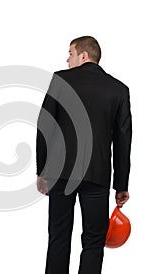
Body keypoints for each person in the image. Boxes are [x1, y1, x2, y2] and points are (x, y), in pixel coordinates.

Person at [36, 36, 132, 274]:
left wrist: (42, 170)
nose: (67, 59)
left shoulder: (60, 80)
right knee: (94, 241)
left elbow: (45, 126)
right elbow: (123, 140)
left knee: (58, 237)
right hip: (98, 176)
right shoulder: (119, 89)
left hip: (61, 173)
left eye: (70, 53)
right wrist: (121, 184)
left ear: (83, 55)